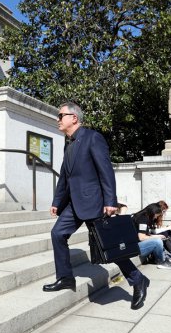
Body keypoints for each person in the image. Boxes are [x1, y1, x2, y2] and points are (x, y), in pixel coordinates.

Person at [43, 101, 150, 310]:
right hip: (73, 205)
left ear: (73, 118)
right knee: (57, 234)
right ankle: (65, 277)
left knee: (108, 246)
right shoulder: (69, 143)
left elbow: (105, 171)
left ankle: (138, 280)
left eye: (60, 115)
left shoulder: (92, 138)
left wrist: (110, 201)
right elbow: (66, 177)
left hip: (94, 204)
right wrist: (57, 202)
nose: (57, 119)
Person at [132, 202, 171, 269]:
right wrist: (156, 237)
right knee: (157, 241)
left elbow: (145, 234)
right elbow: (141, 237)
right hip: (135, 248)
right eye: (156, 215)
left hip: (135, 245)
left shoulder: (142, 216)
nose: (156, 217)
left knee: (158, 238)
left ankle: (166, 256)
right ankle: (162, 262)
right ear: (152, 213)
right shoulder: (143, 219)